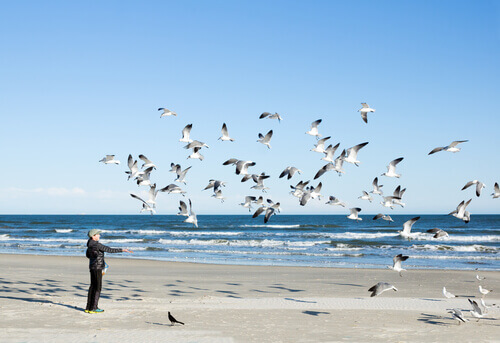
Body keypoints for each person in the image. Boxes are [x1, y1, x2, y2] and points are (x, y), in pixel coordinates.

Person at [85, 229, 133, 314]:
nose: (99, 235)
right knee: (97, 288)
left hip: (92, 267)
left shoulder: (89, 244)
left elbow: (88, 255)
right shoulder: (97, 245)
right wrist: (122, 250)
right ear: (93, 236)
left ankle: (89, 307)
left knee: (92, 287)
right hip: (98, 268)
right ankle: (94, 308)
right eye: (98, 234)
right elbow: (109, 250)